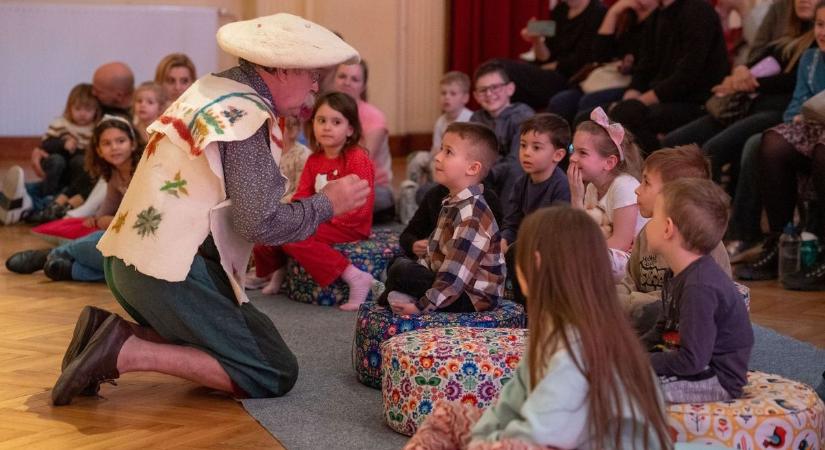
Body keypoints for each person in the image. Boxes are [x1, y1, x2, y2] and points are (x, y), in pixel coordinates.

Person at [50, 13, 368, 406]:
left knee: (250, 342)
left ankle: (102, 332)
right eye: (313, 75)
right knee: (272, 368)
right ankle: (125, 349)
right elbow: (260, 225)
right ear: (282, 68)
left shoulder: (213, 88)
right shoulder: (247, 115)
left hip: (132, 263)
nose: (317, 87)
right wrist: (326, 203)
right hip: (165, 273)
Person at [405, 207, 672, 450]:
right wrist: (483, 440)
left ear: (534, 262)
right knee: (448, 418)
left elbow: (533, 436)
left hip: (552, 440)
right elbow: (506, 410)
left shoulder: (577, 349)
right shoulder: (553, 332)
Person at [251, 92, 376, 311]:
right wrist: (290, 217)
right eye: (321, 121)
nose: (327, 127)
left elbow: (361, 207)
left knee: (294, 237)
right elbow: (301, 197)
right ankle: (279, 268)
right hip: (321, 220)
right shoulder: (314, 159)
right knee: (271, 226)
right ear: (313, 125)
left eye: (336, 122)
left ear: (350, 129)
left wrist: (312, 223)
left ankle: (355, 276)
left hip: (348, 225)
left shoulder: (357, 158)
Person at [737, 0, 825, 289]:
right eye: (820, 25)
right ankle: (778, 241)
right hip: (810, 129)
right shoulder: (810, 59)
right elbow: (792, 111)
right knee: (772, 141)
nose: (823, 32)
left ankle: (822, 247)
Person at [642, 179, 753, 403]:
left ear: (667, 228)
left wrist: (638, 361)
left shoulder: (699, 287)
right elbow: (661, 331)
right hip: (695, 367)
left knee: (626, 391)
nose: (648, 223)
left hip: (716, 378)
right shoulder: (676, 273)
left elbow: (692, 360)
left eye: (654, 216)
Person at [377, 122, 505, 315]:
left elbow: (453, 280)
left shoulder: (472, 216)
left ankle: (392, 295)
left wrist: (421, 307)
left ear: (472, 168)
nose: (437, 157)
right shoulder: (451, 202)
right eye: (441, 150)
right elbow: (433, 254)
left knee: (401, 270)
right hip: (450, 284)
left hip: (472, 298)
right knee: (398, 263)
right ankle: (395, 292)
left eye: (448, 152)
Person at [5, 116, 142, 281]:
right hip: (129, 235)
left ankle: (53, 257)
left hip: (142, 235)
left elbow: (140, 220)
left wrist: (109, 221)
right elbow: (109, 205)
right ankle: (69, 269)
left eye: (121, 141)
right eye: (107, 143)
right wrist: (98, 219)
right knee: (117, 266)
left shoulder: (144, 170)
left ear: (133, 144)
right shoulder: (114, 174)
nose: (114, 147)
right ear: (98, 150)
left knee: (107, 246)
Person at [618, 145, 732, 334]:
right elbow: (629, 280)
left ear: (674, 195)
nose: (637, 190)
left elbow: (684, 303)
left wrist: (625, 303)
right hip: (647, 319)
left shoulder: (704, 242)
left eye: (646, 182)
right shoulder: (647, 233)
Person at [607, 0, 730, 153]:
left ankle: (657, 170)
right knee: (598, 115)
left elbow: (687, 76)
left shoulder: (698, 11)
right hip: (664, 98)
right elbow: (644, 69)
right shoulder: (657, 16)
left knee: (626, 114)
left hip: (696, 101)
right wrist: (629, 98)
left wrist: (638, 102)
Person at [0, 84, 102, 226]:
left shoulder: (95, 129)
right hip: (55, 162)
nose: (82, 114)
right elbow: (45, 145)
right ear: (69, 108)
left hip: (74, 172)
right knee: (57, 160)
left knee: (80, 162)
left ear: (96, 111)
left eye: (88, 109)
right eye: (78, 109)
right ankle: (45, 195)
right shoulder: (60, 123)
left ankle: (24, 200)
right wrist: (63, 143)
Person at [548, 0, 658, 124]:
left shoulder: (658, 20)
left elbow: (650, 65)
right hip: (606, 79)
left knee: (587, 103)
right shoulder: (627, 15)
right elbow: (599, 56)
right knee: (561, 101)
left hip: (633, 83)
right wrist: (612, 13)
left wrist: (631, 68)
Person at [501, 114, 572, 304]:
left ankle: (529, 310)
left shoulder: (561, 186)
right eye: (523, 145)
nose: (526, 152)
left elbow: (557, 230)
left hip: (550, 250)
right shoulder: (521, 183)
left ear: (558, 155)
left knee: (518, 251)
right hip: (525, 246)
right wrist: (505, 237)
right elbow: (512, 221)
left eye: (536, 147)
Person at [568, 107, 645, 280]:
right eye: (573, 149)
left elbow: (621, 244)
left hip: (633, 260)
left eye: (583, 153)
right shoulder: (591, 188)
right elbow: (583, 235)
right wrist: (576, 197)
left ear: (609, 162)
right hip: (606, 252)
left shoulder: (624, 186)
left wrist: (581, 254)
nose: (572, 158)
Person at [495, 0, 606, 110]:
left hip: (572, 79)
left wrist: (547, 67)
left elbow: (584, 60)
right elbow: (545, 57)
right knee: (501, 73)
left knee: (501, 68)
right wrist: (536, 39)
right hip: (551, 73)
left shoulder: (597, 11)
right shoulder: (561, 9)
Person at [400, 71, 474, 222]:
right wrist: (432, 159)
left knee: (439, 164)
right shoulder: (441, 121)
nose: (447, 97)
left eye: (453, 93)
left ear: (465, 98)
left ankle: (439, 197)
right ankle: (410, 193)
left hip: (459, 162)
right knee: (417, 157)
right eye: (443, 93)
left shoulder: (469, 119)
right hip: (442, 156)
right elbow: (435, 149)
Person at [332, 60, 395, 220]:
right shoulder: (327, 112)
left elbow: (360, 165)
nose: (347, 82)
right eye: (342, 76)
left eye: (354, 79)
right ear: (334, 79)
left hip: (373, 188)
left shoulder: (374, 117)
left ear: (363, 86)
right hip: (334, 182)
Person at [469, 61, 535, 205]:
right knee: (428, 192)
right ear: (476, 96)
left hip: (509, 182)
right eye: (483, 90)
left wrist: (487, 172)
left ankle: (504, 224)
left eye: (495, 87)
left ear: (510, 89)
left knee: (515, 171)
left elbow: (517, 161)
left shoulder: (523, 116)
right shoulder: (476, 119)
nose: (489, 94)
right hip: (480, 178)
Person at [132, 81, 167, 147]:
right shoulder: (132, 130)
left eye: (150, 102)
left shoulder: (163, 131)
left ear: (160, 108)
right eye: (139, 101)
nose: (142, 105)